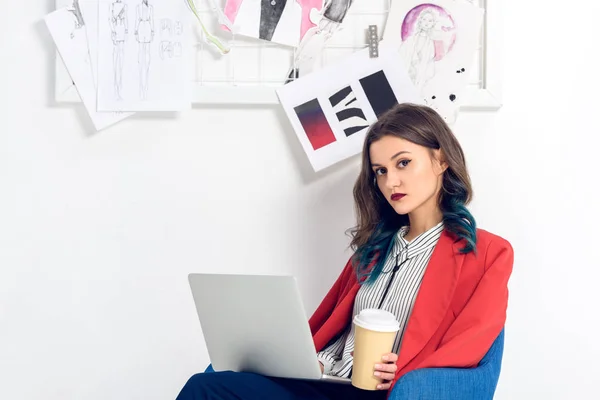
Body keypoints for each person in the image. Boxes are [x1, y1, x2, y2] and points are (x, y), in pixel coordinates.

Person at [176, 103, 514, 399]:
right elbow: (331, 329)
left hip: (389, 393)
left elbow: (472, 341)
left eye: (403, 163)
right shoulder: (373, 251)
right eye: (380, 171)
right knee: (206, 387)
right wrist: (317, 360)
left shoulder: (487, 253)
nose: (390, 182)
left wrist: (405, 368)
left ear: (440, 160)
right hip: (331, 386)